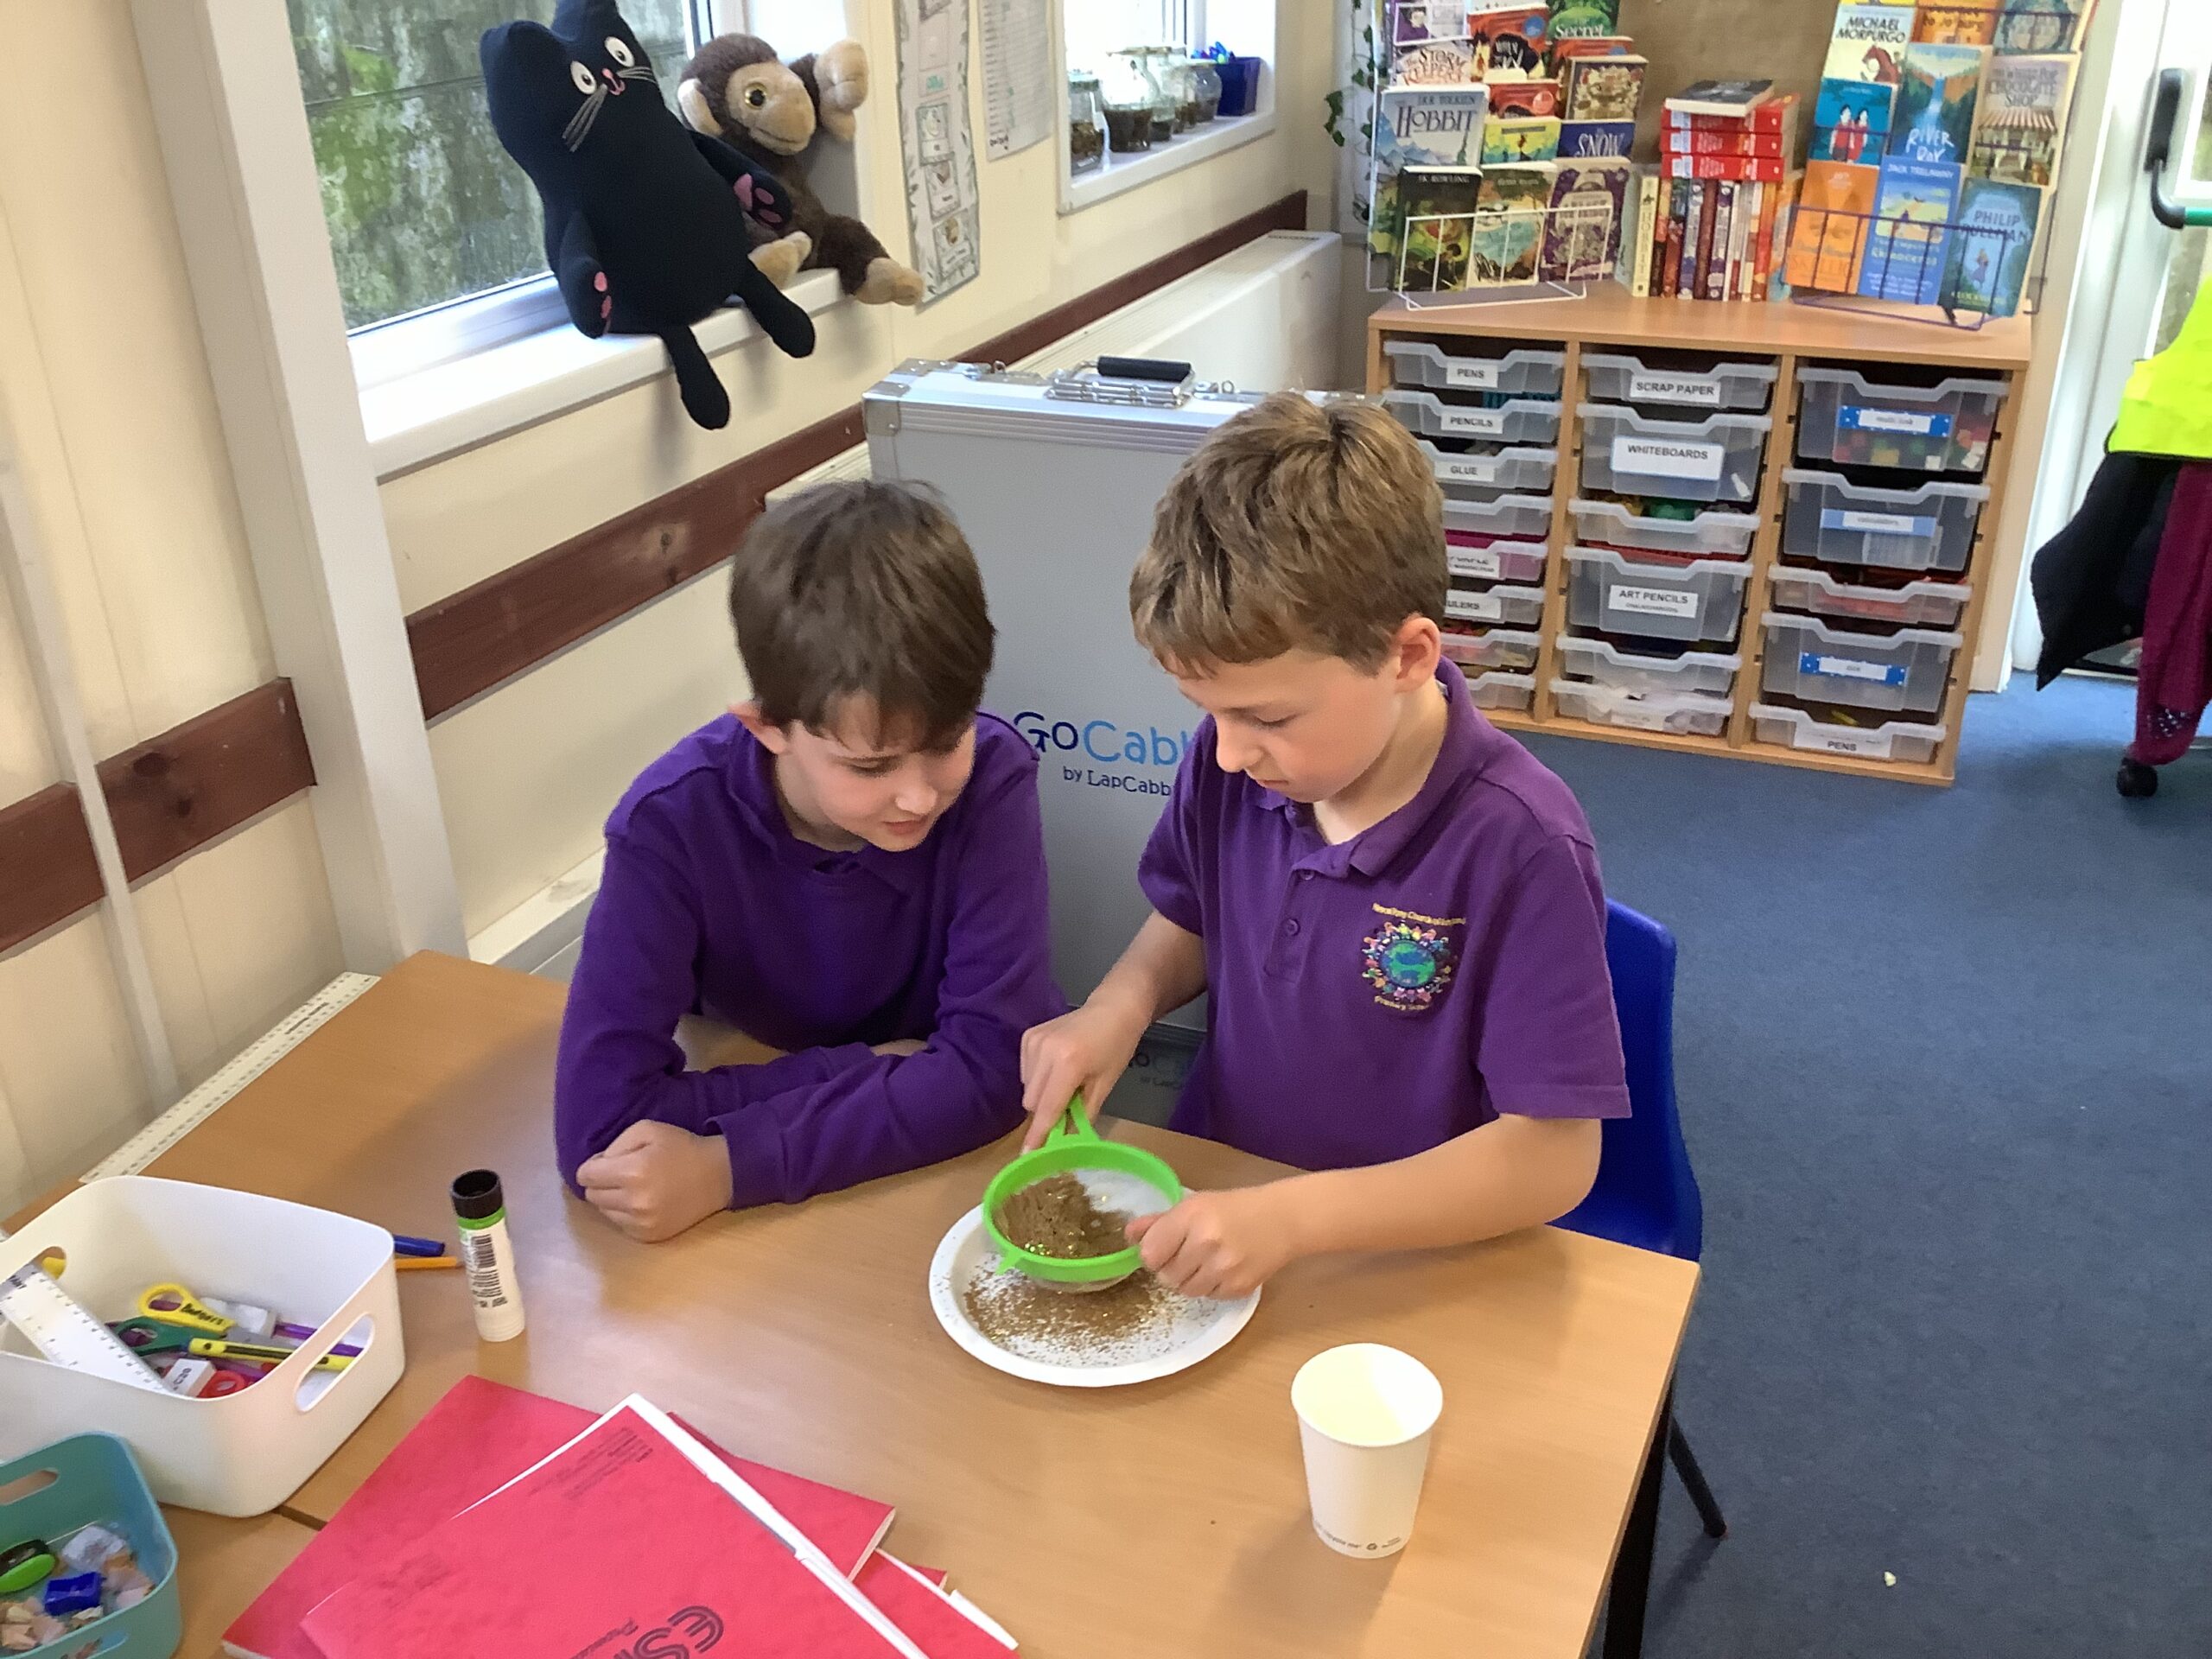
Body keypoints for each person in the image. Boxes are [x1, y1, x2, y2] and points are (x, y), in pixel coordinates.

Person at [1019, 393, 1627, 1299]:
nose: (1229, 751)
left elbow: (1555, 1157)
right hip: (1224, 1198)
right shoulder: (1232, 763)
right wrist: (1118, 1004)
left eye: (1267, 717)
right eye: (1209, 712)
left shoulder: (1521, 846)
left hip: (1400, 1258)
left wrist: (1296, 1221)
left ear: (1407, 657)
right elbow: (1193, 915)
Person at [556, 481, 1063, 1241]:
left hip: (931, 1178)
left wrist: (730, 1165)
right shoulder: (668, 824)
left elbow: (993, 1069)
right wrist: (869, 1066)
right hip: (852, 1131)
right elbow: (600, 1134)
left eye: (945, 742)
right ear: (767, 729)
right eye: (870, 767)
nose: (918, 795)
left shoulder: (993, 777)